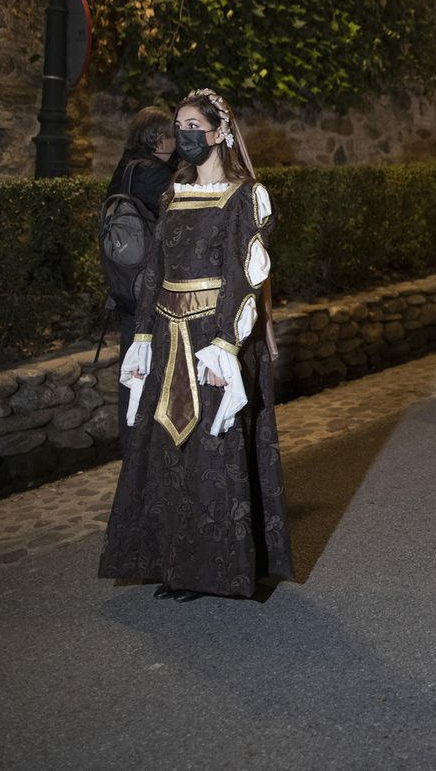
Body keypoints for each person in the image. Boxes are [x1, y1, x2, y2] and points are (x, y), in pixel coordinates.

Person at [99, 89, 295, 600]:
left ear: (220, 132)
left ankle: (214, 570)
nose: (185, 135)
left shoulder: (243, 196)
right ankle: (173, 564)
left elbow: (243, 276)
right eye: (179, 126)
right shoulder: (171, 195)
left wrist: (227, 348)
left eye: (194, 127)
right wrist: (143, 338)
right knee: (167, 447)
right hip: (167, 335)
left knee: (213, 448)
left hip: (213, 339)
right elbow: (153, 272)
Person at [103, 107, 177, 448]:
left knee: (133, 373)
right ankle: (146, 453)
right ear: (159, 139)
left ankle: (132, 449)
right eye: (174, 135)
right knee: (152, 373)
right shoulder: (152, 173)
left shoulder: (125, 168)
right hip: (151, 288)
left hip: (126, 285)